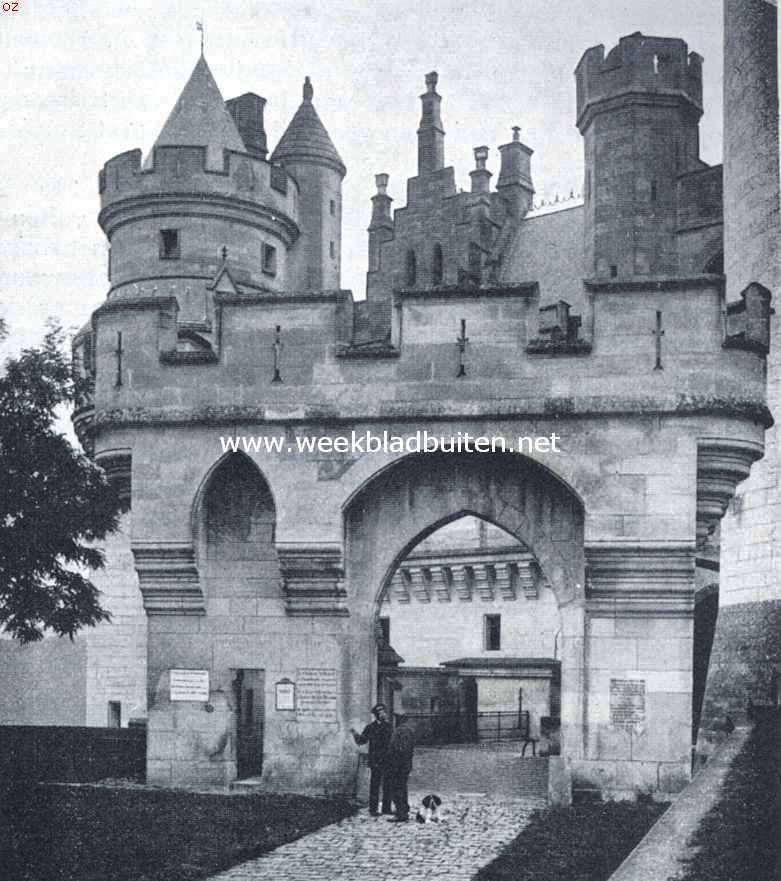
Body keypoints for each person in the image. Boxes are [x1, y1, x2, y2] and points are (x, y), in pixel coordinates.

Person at [351, 702, 392, 816]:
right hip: (376, 760)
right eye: (381, 712)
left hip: (387, 760)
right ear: (376, 714)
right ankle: (373, 810)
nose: (383, 713)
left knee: (387, 785)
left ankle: (386, 809)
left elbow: (392, 742)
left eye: (384, 711)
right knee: (375, 785)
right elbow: (361, 741)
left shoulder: (389, 726)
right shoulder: (370, 727)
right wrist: (355, 734)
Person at [386, 713, 415, 822]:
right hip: (404, 765)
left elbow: (401, 749)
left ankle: (401, 813)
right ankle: (404, 810)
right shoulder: (407, 731)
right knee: (402, 787)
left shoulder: (401, 731)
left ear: (398, 721)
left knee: (397, 788)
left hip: (398, 765)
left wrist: (391, 756)